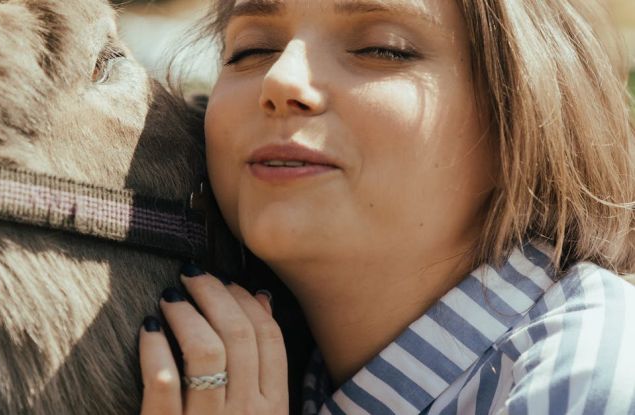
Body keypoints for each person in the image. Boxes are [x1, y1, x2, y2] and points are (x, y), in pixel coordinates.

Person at [137, 1, 635, 414]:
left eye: (382, 48)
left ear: (520, 116)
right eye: (252, 49)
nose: (281, 79)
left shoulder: (593, 372)